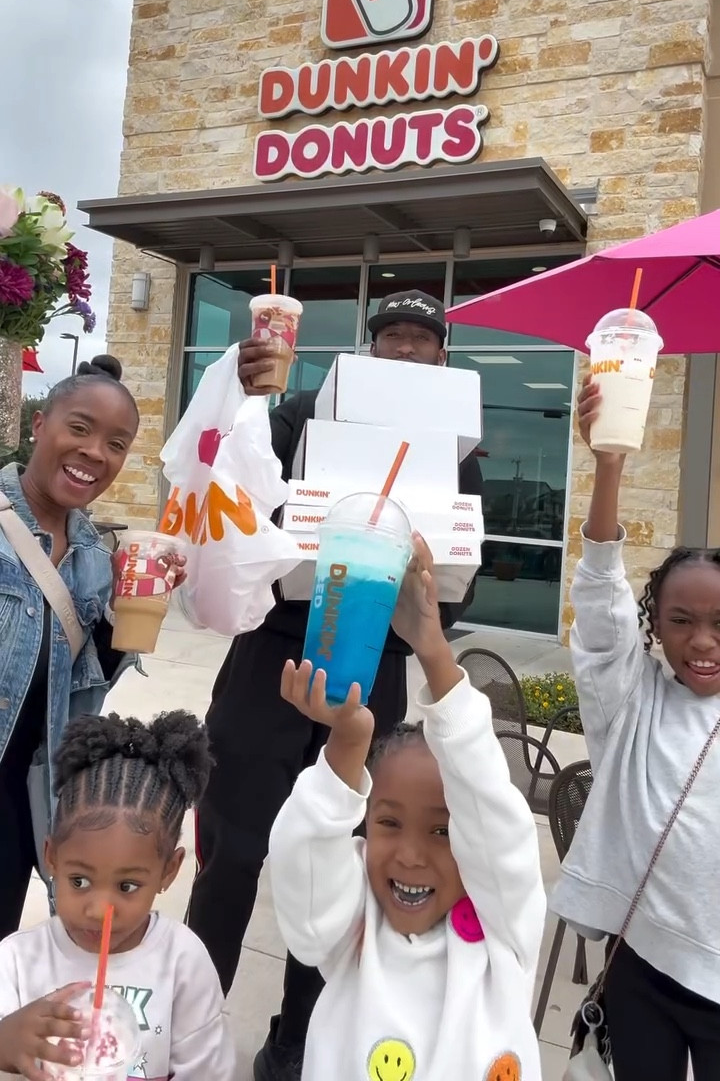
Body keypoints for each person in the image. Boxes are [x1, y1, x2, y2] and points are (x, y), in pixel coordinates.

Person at [186, 290, 484, 1080]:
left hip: (373, 670)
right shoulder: (302, 416)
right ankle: (186, 1027)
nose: (406, 352)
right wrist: (253, 397)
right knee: (233, 847)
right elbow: (240, 495)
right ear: (366, 349)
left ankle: (299, 1040)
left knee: (344, 858)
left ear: (443, 359)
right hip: (271, 656)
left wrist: (429, 574)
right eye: (391, 337)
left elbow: (462, 587)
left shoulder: (459, 451)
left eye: (423, 340)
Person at [268, 533, 546, 1080]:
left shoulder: (502, 931)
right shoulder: (349, 929)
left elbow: (490, 806)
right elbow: (305, 869)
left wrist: (434, 650)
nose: (412, 855)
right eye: (389, 823)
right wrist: (346, 745)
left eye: (443, 832)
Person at [551, 376, 720, 1081]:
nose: (702, 641)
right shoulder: (631, 703)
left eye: (718, 624)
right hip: (641, 964)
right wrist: (611, 463)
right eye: (681, 621)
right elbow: (601, 594)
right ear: (656, 625)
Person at [0, 709, 236, 1081]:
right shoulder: (15, 962)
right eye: (79, 881)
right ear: (52, 859)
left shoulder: (183, 964)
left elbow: (207, 1070)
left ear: (168, 871)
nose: (98, 910)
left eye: (127, 886)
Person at [0, 356, 149, 942]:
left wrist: (127, 610)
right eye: (80, 428)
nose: (95, 453)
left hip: (20, 798)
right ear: (40, 425)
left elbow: (84, 686)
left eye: (116, 443)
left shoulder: (93, 554)